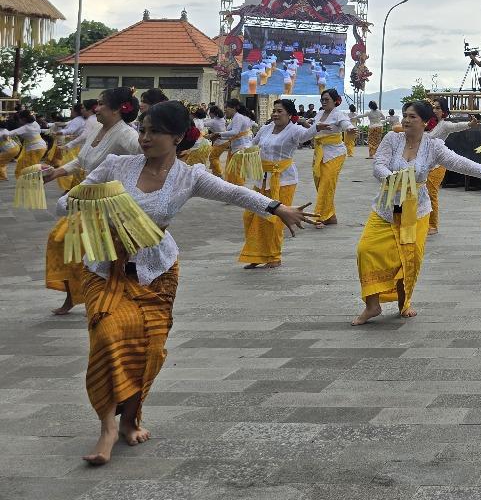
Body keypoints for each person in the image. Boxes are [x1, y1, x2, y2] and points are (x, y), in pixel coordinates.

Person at [55, 100, 312, 465]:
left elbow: (234, 193)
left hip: (156, 271)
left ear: (177, 137)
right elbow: (63, 205)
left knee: (151, 349)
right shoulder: (116, 167)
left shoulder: (188, 176)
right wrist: (88, 201)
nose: (144, 137)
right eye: (142, 130)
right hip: (106, 269)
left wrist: (277, 208)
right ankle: (106, 428)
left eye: (154, 131)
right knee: (108, 337)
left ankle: (129, 420)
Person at [353, 100, 481, 325]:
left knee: (408, 256)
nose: (406, 120)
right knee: (366, 249)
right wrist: (393, 179)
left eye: (412, 117)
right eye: (405, 115)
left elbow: (457, 162)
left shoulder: (433, 145)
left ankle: (405, 303)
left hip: (416, 208)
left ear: (425, 122)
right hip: (386, 206)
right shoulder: (392, 139)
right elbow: (379, 165)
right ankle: (372, 305)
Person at [39, 88, 142, 315]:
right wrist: (57, 172)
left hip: (107, 203)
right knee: (61, 243)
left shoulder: (125, 134)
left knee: (92, 252)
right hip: (85, 198)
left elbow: (145, 156)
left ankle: (103, 297)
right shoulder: (98, 128)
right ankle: (74, 296)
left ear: (116, 110)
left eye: (102, 104)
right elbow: (82, 159)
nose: (97, 108)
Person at [239, 98, 316, 268]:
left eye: (280, 111)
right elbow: (253, 143)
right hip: (262, 177)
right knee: (250, 215)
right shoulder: (266, 128)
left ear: (289, 114)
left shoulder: (294, 130)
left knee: (274, 218)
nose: (275, 114)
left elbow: (305, 136)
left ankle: (273, 256)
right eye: (274, 111)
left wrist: (317, 126)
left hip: (284, 179)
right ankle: (256, 254)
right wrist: (244, 150)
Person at [424, 97, 479, 234]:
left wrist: (470, 124)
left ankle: (433, 225)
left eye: (438, 108)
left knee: (431, 194)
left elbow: (457, 126)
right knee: (420, 194)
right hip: (422, 165)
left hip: (437, 165)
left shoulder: (444, 125)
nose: (435, 110)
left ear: (444, 112)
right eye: (434, 107)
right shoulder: (426, 123)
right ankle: (421, 221)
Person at [309, 88, 352, 226]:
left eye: (327, 99)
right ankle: (330, 216)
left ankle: (319, 216)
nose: (324, 102)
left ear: (335, 101)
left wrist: (350, 128)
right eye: (322, 99)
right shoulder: (320, 113)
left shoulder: (339, 114)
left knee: (327, 183)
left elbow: (346, 124)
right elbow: (312, 126)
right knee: (320, 182)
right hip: (319, 152)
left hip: (335, 153)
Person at [214, 99, 255, 184]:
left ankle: (238, 192)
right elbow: (233, 135)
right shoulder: (238, 117)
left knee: (237, 174)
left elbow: (235, 132)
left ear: (234, 108)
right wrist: (219, 137)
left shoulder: (238, 117)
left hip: (239, 149)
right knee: (236, 173)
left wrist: (218, 134)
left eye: (227, 107)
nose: (225, 110)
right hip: (238, 148)